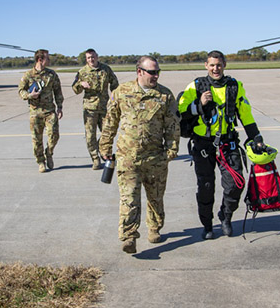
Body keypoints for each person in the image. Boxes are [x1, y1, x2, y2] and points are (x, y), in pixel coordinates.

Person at [178, 50, 264, 239]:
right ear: (205, 66)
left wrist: (256, 137)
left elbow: (246, 114)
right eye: (212, 65)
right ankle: (207, 225)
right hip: (203, 145)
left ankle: (225, 215)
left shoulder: (235, 86)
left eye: (219, 65)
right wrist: (199, 104)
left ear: (224, 65)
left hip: (228, 143)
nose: (215, 68)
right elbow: (181, 111)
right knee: (206, 186)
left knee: (236, 184)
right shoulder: (195, 86)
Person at [99, 56, 180, 254]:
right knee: (129, 199)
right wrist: (105, 146)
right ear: (139, 72)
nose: (156, 75)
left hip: (155, 158)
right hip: (128, 156)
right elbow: (110, 121)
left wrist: (172, 149)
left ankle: (154, 227)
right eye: (152, 72)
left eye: (157, 72)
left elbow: (172, 125)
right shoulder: (122, 92)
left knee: (155, 198)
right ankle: (128, 237)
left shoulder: (165, 95)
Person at [72, 49, 119, 170]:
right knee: (90, 135)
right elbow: (75, 89)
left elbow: (115, 85)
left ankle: (103, 151)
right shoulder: (82, 72)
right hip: (90, 108)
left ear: (97, 57)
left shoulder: (105, 69)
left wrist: (114, 98)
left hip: (104, 107)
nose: (91, 60)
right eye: (88, 58)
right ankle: (95, 158)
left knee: (107, 133)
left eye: (92, 57)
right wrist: (80, 84)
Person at [18, 49, 64, 173]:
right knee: (37, 139)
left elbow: (58, 91)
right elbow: (20, 91)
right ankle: (41, 161)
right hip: (35, 112)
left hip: (49, 111)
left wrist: (60, 107)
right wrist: (29, 95)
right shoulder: (28, 75)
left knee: (54, 135)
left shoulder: (51, 75)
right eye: (47, 58)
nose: (49, 60)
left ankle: (49, 153)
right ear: (40, 60)